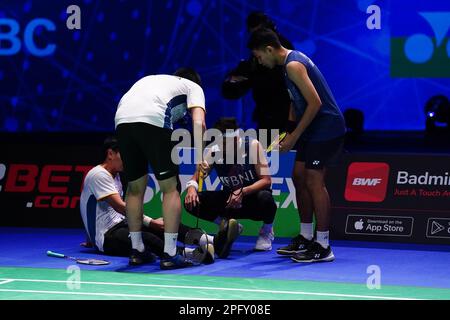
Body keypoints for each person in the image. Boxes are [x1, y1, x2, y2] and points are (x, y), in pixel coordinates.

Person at [247, 29, 346, 263]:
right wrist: (289, 132)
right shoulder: (286, 66)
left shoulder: (293, 65)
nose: (259, 61)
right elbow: (295, 102)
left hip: (326, 126)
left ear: (269, 49)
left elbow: (315, 103)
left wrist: (294, 138)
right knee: (298, 176)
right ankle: (306, 236)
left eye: (259, 56)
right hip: (311, 128)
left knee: (313, 180)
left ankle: (323, 245)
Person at [114, 68, 207, 269]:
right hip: (154, 118)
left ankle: (137, 250)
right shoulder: (194, 87)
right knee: (170, 188)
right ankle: (170, 253)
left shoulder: (154, 80)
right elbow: (199, 122)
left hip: (121, 120)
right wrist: (200, 158)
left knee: (134, 187)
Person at [79, 137, 215, 267]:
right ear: (110, 153)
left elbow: (91, 206)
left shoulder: (116, 174)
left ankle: (210, 241)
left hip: (122, 225)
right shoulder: (98, 175)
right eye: (125, 154)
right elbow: (121, 207)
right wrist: (150, 222)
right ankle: (193, 254)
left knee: (168, 224)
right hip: (107, 237)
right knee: (148, 237)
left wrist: (89, 237)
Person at [184, 118, 277, 257]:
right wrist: (192, 187)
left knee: (267, 199)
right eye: (221, 143)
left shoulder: (252, 146)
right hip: (230, 203)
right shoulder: (214, 151)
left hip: (252, 200)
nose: (223, 146)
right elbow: (198, 176)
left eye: (227, 142)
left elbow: (266, 180)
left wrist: (242, 191)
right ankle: (228, 227)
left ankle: (267, 231)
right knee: (193, 202)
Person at [222, 12, 294, 145]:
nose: (260, 61)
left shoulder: (286, 54)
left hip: (284, 117)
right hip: (266, 116)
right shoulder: (257, 55)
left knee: (280, 157)